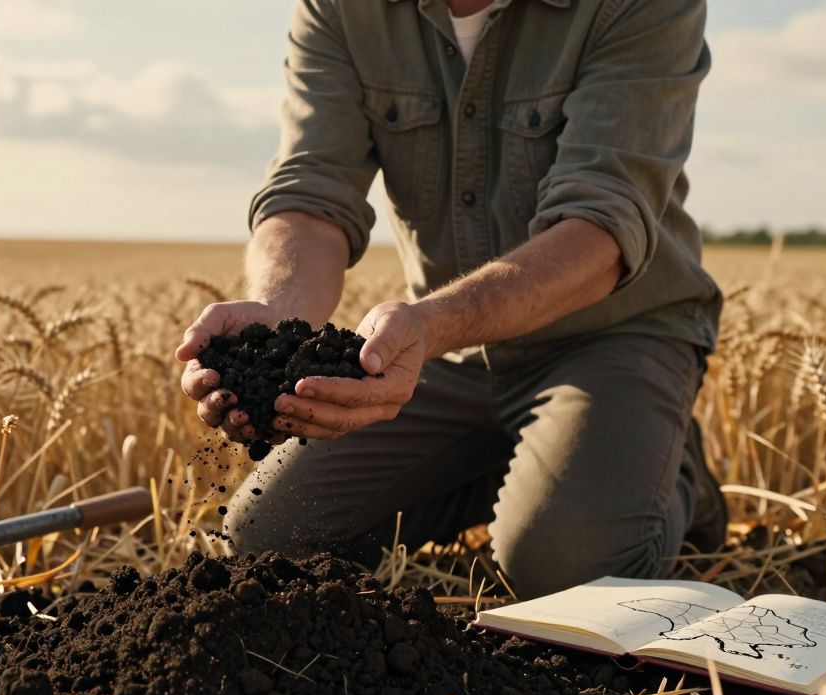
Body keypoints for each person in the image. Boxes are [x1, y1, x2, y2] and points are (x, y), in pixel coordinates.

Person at [176, 0, 725, 598]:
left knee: (562, 573)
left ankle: (669, 468)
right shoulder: (339, 9)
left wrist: (432, 323)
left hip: (613, 336)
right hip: (449, 351)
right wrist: (279, 323)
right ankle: (531, 458)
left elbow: (600, 226)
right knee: (269, 536)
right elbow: (311, 191)